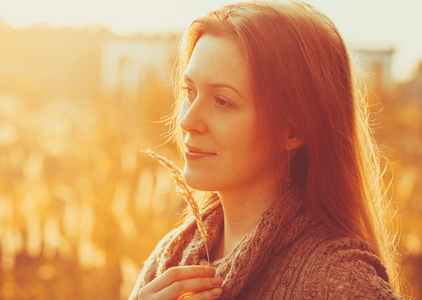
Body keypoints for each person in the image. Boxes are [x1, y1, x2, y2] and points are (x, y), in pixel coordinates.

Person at [129, 1, 403, 299]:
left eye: (222, 101)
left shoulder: (339, 280)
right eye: (189, 92)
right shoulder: (168, 260)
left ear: (293, 130)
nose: (187, 120)